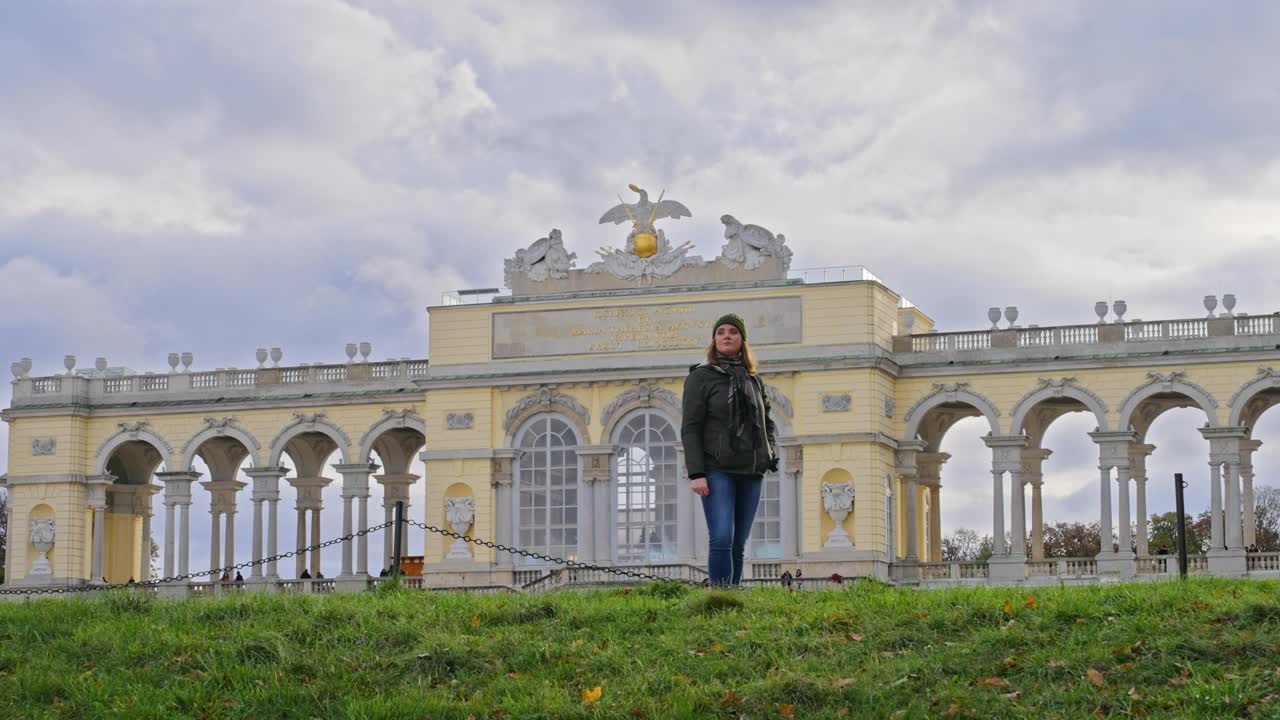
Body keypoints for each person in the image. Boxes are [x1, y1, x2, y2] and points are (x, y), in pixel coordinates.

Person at [682, 313, 778, 587]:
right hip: (716, 468)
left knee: (738, 542)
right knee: (722, 536)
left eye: (732, 332)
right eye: (721, 331)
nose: (726, 336)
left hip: (751, 469)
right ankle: (719, 596)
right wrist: (696, 473)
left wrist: (768, 454)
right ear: (714, 340)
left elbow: (766, 420)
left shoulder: (753, 379)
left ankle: (732, 597)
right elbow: (690, 427)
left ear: (742, 340)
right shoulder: (701, 377)